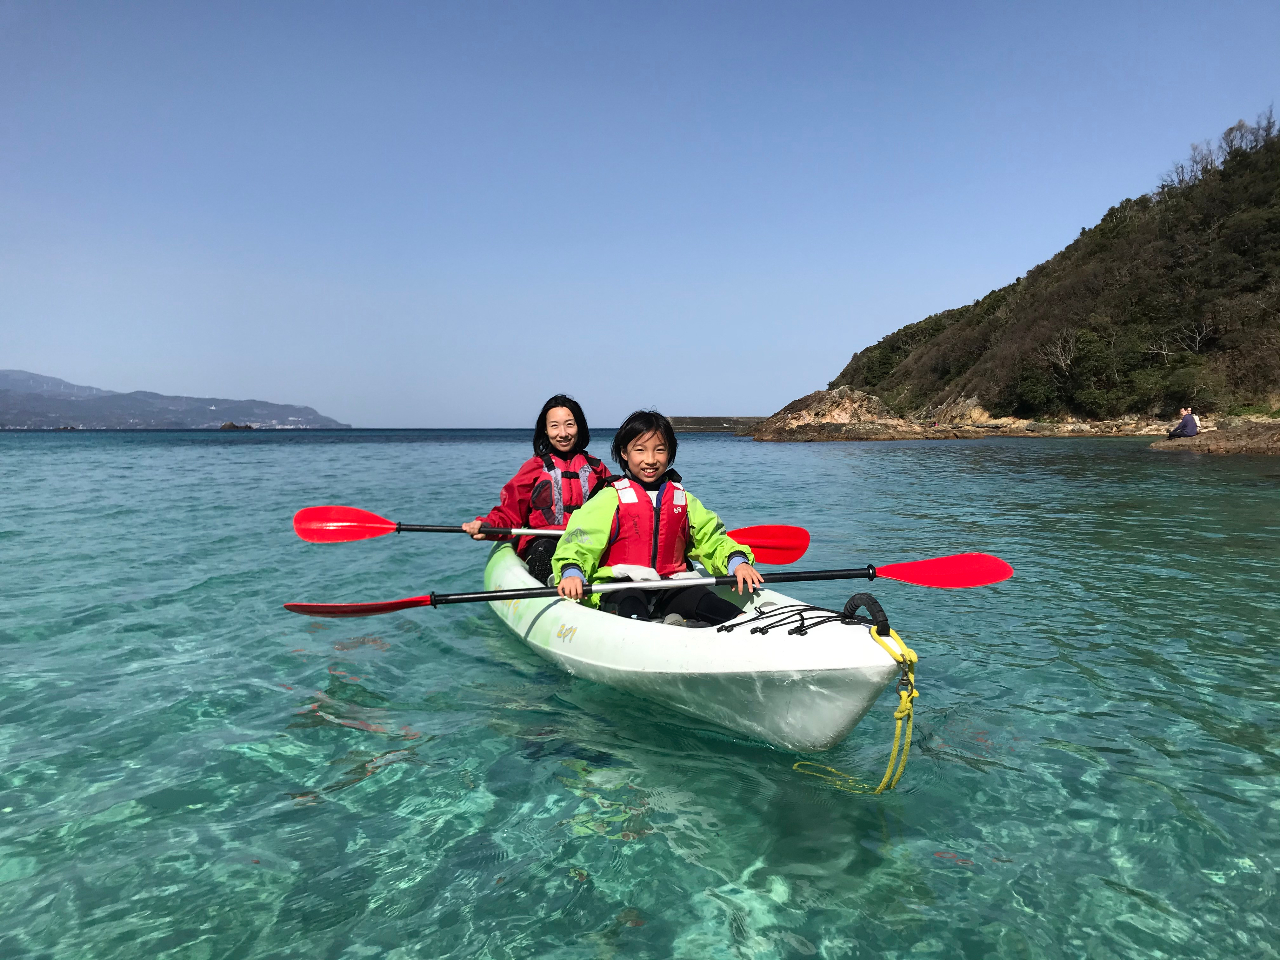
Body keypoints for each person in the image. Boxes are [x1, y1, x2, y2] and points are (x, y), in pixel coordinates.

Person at [552, 410, 764, 626]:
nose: (650, 460)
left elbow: (712, 539)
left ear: (669, 453)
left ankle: (739, 626)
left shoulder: (683, 499)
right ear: (624, 453)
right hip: (622, 587)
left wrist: (737, 562)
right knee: (631, 607)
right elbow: (579, 541)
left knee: (713, 605)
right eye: (640, 450)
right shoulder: (609, 498)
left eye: (659, 450)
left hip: (673, 585)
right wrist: (571, 570)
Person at [462, 395, 613, 584]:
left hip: (584, 544)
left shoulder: (597, 469)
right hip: (544, 542)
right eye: (555, 426)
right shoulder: (534, 467)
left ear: (579, 427)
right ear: (546, 429)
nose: (563, 433)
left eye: (569, 425)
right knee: (543, 552)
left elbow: (614, 513)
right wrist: (486, 526)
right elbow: (510, 513)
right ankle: (556, 588)